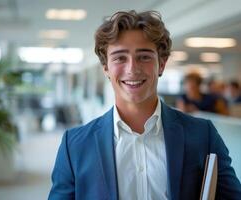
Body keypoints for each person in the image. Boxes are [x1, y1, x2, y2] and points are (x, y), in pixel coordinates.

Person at [48, 10, 241, 200]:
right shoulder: (74, 145)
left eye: (144, 56)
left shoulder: (202, 135)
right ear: (106, 67)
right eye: (120, 57)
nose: (132, 69)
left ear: (162, 64)